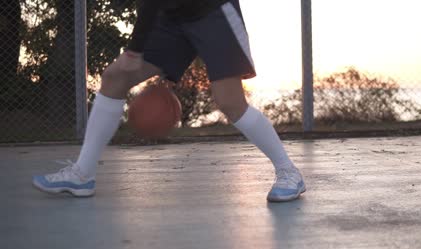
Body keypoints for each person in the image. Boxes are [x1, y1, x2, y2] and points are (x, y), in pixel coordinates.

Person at [32, 0, 306, 202]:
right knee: (115, 78)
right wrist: (136, 49)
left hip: (213, 11)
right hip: (171, 15)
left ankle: (289, 172)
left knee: (230, 101)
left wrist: (135, 48)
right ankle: (82, 175)